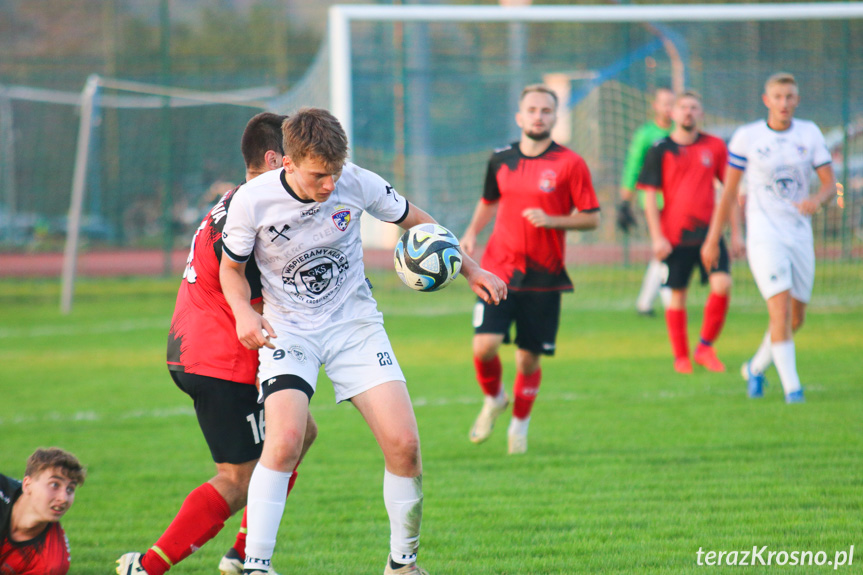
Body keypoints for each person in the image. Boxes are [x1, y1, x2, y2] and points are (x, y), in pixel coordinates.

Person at [219, 107, 507, 575]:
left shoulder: (357, 180)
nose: (330, 185)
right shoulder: (253, 200)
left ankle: (402, 564)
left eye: (334, 173)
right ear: (288, 163)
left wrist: (471, 268)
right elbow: (230, 270)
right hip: (288, 329)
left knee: (405, 446)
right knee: (286, 439)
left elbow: (419, 221)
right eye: (319, 175)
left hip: (354, 325)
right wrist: (241, 312)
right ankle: (256, 565)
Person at [116, 113, 317, 575]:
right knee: (238, 478)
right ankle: (146, 568)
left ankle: (243, 552)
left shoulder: (237, 200)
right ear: (274, 159)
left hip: (198, 346)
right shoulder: (259, 215)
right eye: (298, 159)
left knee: (300, 433)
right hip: (219, 358)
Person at [460, 84, 600, 455]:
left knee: (527, 357)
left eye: (546, 110)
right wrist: (472, 233)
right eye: (532, 109)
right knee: (484, 346)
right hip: (498, 268)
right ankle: (494, 400)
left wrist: (553, 220)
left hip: (544, 276)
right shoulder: (500, 158)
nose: (539, 116)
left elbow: (592, 219)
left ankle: (519, 427)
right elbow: (488, 201)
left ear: (555, 118)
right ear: (520, 117)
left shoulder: (570, 163)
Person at [701, 72, 836, 403]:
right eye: (777, 97)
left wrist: (816, 201)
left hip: (799, 233)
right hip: (763, 234)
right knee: (778, 311)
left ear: (797, 100)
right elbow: (729, 191)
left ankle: (756, 367)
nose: (784, 103)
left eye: (790, 96)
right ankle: (794, 390)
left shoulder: (810, 133)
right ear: (766, 101)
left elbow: (830, 185)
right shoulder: (748, 137)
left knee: (795, 317)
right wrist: (713, 238)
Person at [637, 90, 734, 374]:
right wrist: (657, 238)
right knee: (677, 296)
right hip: (674, 237)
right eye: (683, 107)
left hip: (709, 235)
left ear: (700, 113)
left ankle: (704, 347)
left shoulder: (715, 146)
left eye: (694, 107)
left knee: (723, 285)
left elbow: (728, 193)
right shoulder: (659, 148)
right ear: (673, 113)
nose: (688, 112)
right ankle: (681, 357)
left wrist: (736, 235)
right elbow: (650, 198)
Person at [618, 87, 676, 316]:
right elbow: (633, 167)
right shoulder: (646, 134)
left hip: (678, 201)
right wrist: (625, 202)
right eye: (664, 103)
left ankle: (645, 303)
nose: (668, 108)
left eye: (673, 103)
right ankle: (670, 301)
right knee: (666, 248)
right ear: (655, 105)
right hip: (653, 202)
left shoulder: (680, 132)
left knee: (663, 250)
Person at [1, 447, 86, 575]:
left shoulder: (52, 560)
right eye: (55, 485)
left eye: (70, 489)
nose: (63, 498)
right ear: (27, 485)